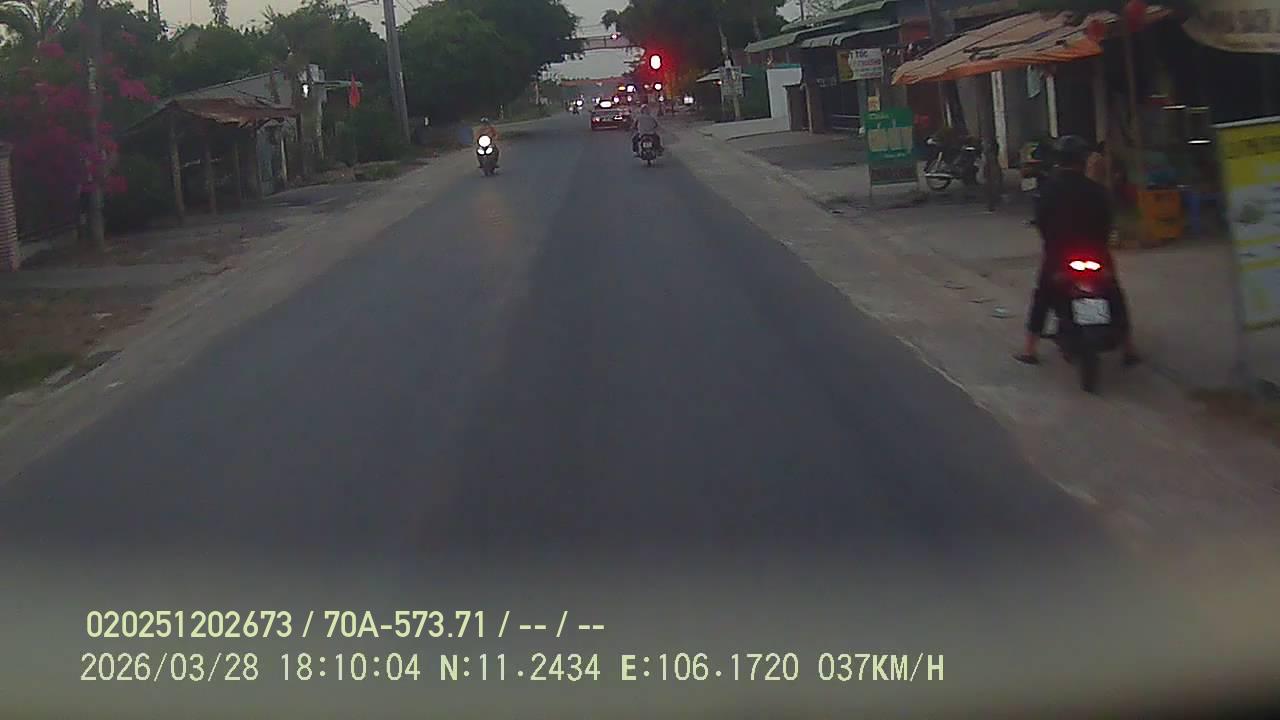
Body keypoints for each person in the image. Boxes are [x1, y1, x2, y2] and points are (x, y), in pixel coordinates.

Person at [1016, 135, 1141, 366]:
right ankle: (1129, 348)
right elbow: (1107, 223)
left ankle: (1029, 349)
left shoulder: (1049, 190)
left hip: (1059, 255)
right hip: (1096, 253)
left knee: (1043, 295)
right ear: (1082, 161)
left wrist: (1053, 244)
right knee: (1113, 293)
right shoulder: (1097, 191)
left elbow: (1042, 223)